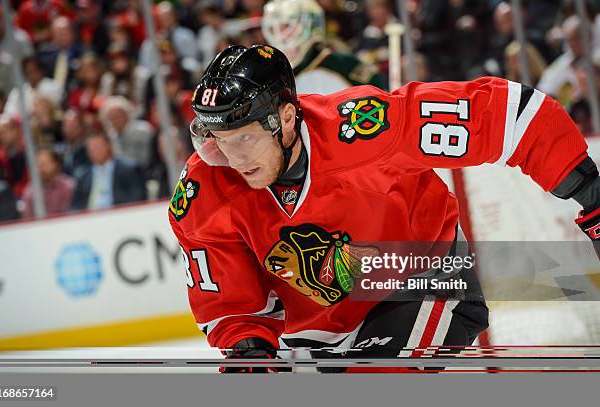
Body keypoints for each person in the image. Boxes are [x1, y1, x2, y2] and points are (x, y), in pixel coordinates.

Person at [169, 45, 600, 373]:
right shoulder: (204, 190)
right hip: (323, 335)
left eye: (243, 137)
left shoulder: (366, 128)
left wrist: (591, 195)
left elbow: (509, 116)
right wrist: (250, 352)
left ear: (284, 118)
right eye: (219, 140)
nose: (233, 157)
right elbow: (231, 305)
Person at [262, 0, 387, 95]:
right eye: (274, 29)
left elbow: (382, 94)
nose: (281, 36)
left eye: (287, 26)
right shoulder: (273, 74)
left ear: (309, 25)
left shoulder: (341, 64)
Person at [70, 129, 147, 211]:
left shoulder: (130, 170)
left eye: (98, 147)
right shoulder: (83, 176)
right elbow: (76, 206)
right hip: (89, 219)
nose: (95, 151)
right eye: (91, 149)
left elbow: (137, 199)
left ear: (109, 145)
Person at [21, 148, 75, 218]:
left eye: (45, 164)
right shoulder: (30, 191)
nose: (41, 169)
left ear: (55, 164)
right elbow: (27, 219)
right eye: (39, 165)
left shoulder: (68, 186)